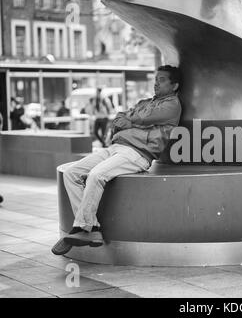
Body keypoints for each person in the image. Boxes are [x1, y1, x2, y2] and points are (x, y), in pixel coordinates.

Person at [51, 65, 182, 255]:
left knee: (96, 175)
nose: (155, 83)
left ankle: (83, 228)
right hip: (115, 148)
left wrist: (131, 120)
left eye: (161, 80)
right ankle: (90, 228)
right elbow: (120, 117)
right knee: (72, 173)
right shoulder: (146, 101)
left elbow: (144, 117)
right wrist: (130, 119)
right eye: (155, 79)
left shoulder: (172, 105)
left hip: (137, 153)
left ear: (175, 85)